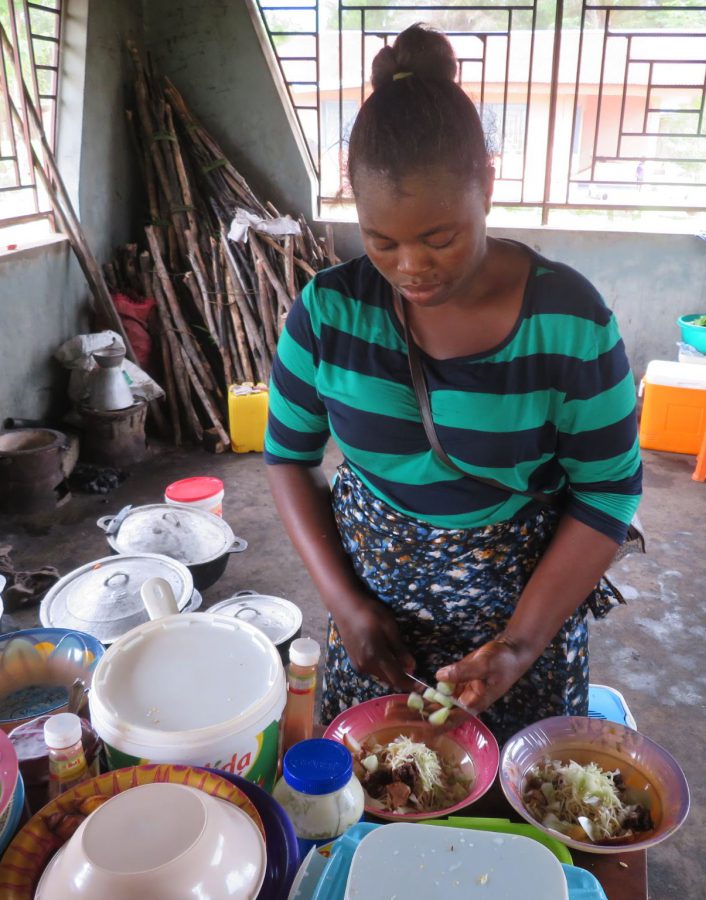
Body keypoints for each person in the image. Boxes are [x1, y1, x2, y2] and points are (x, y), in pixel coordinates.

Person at [264, 24, 641, 742]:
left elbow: (608, 489)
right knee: (383, 790)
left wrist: (521, 646)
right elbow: (288, 456)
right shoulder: (329, 312)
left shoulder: (568, 322)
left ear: (488, 187)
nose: (411, 267)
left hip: (516, 618)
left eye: (439, 238)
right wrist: (347, 608)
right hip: (374, 622)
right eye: (382, 241)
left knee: (511, 811)